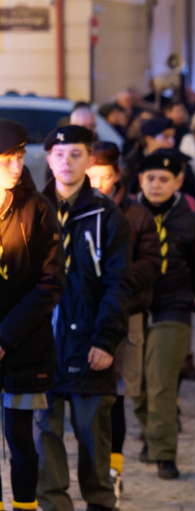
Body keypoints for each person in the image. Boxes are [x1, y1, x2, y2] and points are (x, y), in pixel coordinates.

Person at [36, 125, 130, 511]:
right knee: (45, 435)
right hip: (41, 345)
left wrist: (106, 340)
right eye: (60, 155)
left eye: (76, 154)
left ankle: (100, 502)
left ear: (90, 160)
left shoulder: (106, 215)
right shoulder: (33, 210)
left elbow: (117, 283)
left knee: (94, 435)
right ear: (48, 159)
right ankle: (53, 504)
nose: (67, 162)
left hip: (91, 344)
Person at [86, 141, 161, 500]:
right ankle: (96, 466)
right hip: (85, 317)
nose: (96, 182)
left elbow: (150, 264)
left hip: (126, 314)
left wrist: (118, 282)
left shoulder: (135, 215)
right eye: (91, 175)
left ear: (116, 176)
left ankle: (114, 467)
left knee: (115, 397)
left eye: (103, 175)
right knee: (90, 397)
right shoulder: (76, 212)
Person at [133, 148, 195, 480]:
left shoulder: (188, 219)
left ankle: (165, 453)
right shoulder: (129, 214)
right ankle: (152, 436)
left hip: (174, 305)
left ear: (177, 182)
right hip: (135, 306)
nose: (156, 185)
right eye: (150, 178)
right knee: (137, 383)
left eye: (164, 179)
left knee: (162, 379)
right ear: (140, 180)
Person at [0, 120, 65, 511]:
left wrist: (5, 338)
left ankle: (24, 507)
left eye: (20, 157)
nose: (16, 166)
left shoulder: (37, 209)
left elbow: (50, 282)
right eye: (7, 159)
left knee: (21, 438)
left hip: (25, 345)